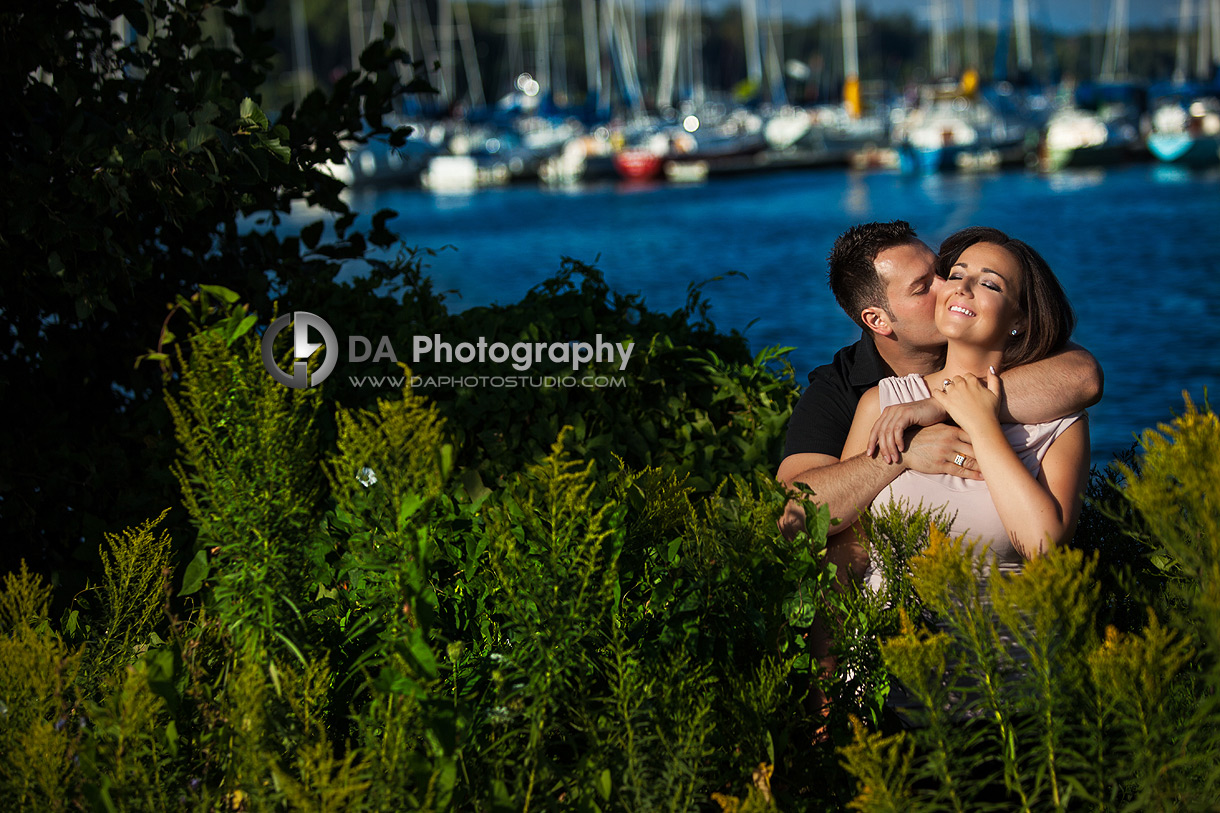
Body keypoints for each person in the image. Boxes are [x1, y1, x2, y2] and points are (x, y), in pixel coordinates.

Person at [841, 227, 1090, 581]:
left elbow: (1041, 544)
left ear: (1020, 320)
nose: (960, 286)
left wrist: (981, 423)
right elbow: (845, 555)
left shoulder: (1060, 421)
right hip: (887, 633)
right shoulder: (883, 402)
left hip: (1000, 634)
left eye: (989, 284)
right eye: (956, 274)